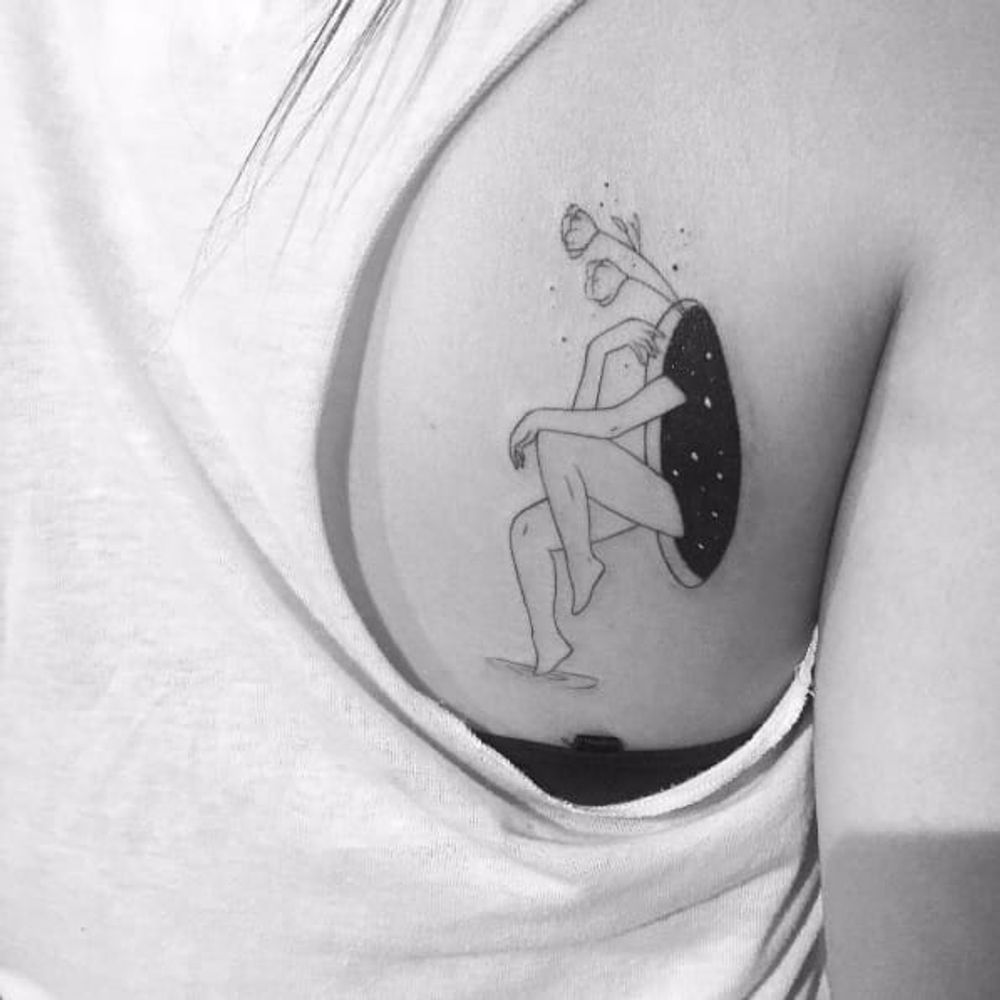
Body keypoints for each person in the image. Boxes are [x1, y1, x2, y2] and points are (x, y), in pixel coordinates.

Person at [1, 1, 998, 997]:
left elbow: (633, 412)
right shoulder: (921, 72)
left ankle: (581, 570)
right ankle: (560, 622)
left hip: (663, 506)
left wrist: (566, 410)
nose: (598, 280)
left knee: (557, 460)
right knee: (531, 520)